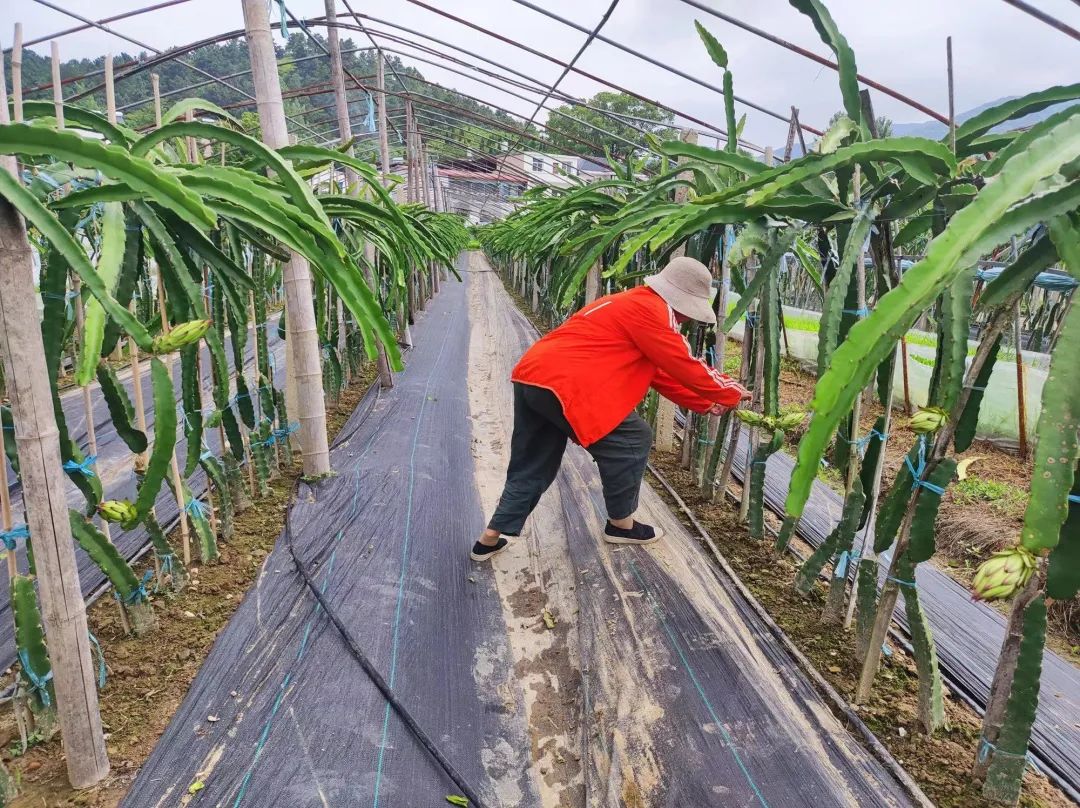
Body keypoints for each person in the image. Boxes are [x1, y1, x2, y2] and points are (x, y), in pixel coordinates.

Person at [471, 256, 749, 562]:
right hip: (566, 384)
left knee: (533, 460)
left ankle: (489, 538)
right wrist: (730, 392)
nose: (688, 319)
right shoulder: (653, 311)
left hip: (532, 377)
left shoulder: (627, 303)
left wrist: (704, 402)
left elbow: (657, 372)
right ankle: (621, 525)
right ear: (678, 299)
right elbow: (684, 364)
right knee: (633, 437)